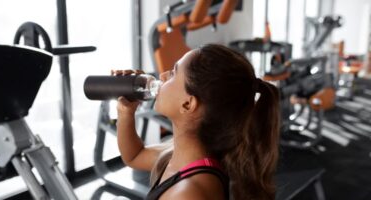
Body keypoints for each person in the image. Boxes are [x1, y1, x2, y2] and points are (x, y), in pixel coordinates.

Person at [115, 44, 280, 200]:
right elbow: (134, 156)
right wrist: (126, 112)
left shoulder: (187, 193)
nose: (162, 75)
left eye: (173, 73)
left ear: (188, 104)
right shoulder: (183, 156)